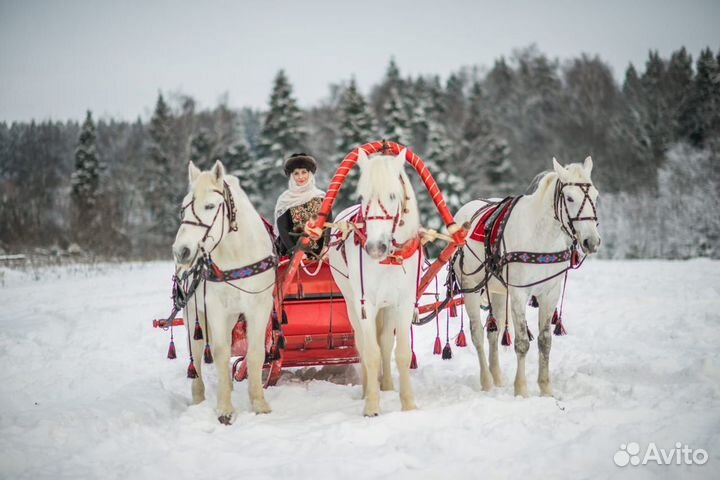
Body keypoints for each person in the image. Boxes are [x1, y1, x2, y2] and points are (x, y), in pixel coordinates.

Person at [273, 153, 330, 257]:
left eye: (304, 172)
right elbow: (283, 230)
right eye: (296, 173)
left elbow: (328, 224)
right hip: (293, 255)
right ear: (291, 176)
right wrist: (294, 251)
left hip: (322, 254)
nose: (300, 177)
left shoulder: (321, 197)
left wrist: (326, 247)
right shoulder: (285, 200)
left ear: (310, 174)